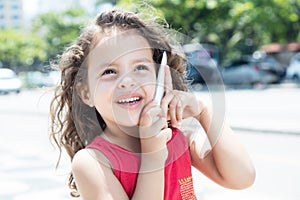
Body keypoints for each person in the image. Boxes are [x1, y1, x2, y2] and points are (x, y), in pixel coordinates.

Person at [50, 8, 255, 200]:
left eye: (140, 67)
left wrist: (203, 110)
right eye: (109, 72)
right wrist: (153, 155)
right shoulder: (92, 162)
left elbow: (242, 177)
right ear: (86, 93)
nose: (127, 81)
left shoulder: (179, 135)